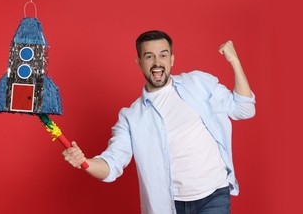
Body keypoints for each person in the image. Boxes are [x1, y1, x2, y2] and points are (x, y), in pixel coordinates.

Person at [62, 30, 256, 214]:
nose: (157, 62)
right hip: (168, 205)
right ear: (139, 62)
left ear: (172, 59)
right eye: (149, 56)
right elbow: (112, 165)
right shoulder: (130, 117)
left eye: (163, 55)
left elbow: (244, 109)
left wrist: (234, 62)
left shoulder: (198, 83)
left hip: (213, 195)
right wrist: (84, 163)